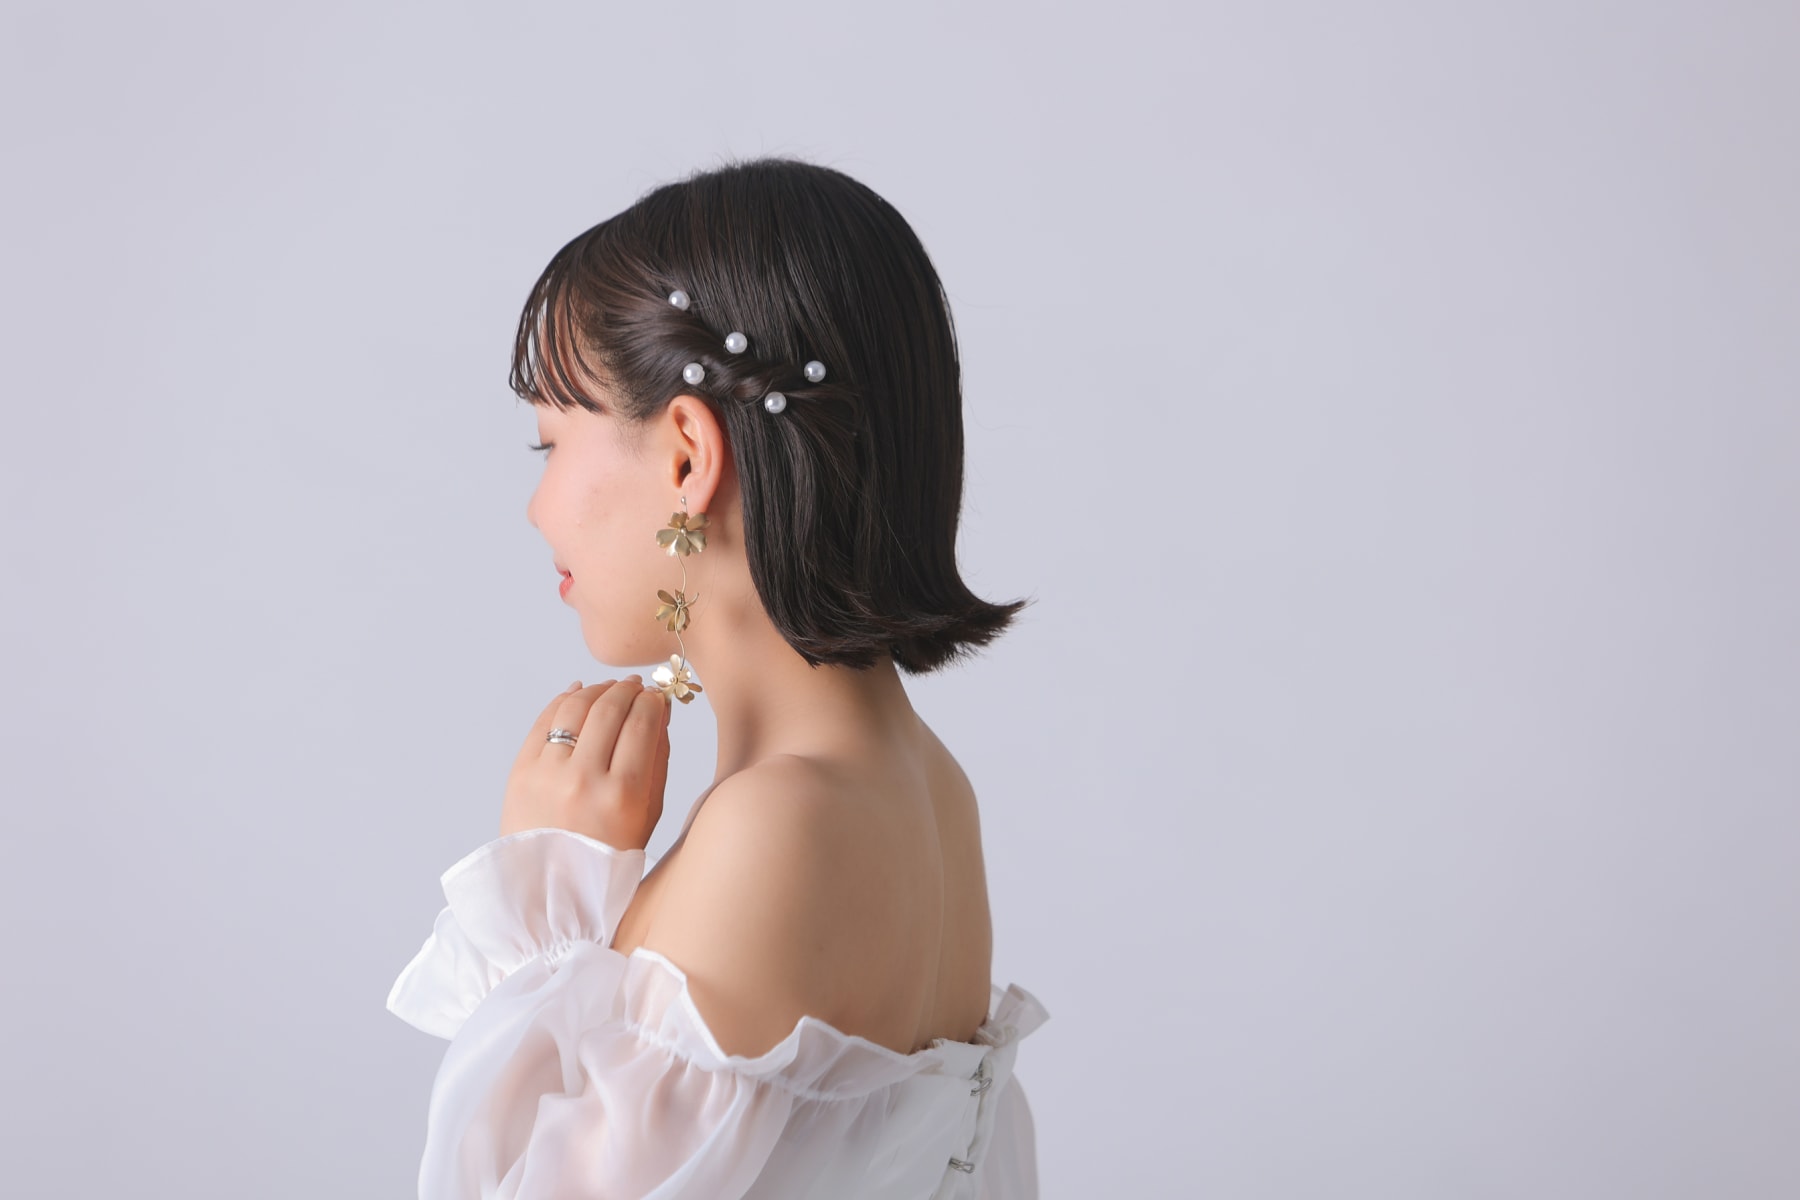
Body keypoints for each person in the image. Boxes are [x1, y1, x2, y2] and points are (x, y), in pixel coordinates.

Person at [385, 155, 1050, 1199]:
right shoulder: (930, 790)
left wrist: (543, 921)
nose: (537, 508)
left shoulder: (773, 829)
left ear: (688, 458)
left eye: (549, 443)